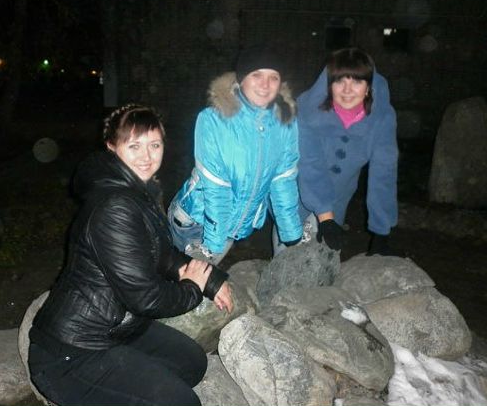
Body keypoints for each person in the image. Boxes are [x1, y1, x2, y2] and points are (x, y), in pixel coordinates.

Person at [28, 104, 233, 406]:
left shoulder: (139, 190)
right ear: (112, 147)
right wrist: (192, 288)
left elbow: (162, 255)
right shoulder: (114, 206)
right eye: (134, 146)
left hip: (118, 330)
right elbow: (146, 299)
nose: (146, 156)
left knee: (192, 364)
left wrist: (210, 280)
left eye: (155, 145)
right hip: (72, 353)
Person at [168, 45, 303, 265]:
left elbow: (283, 179)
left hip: (230, 227)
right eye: (256, 75)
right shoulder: (213, 119)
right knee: (185, 283)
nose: (265, 84)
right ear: (241, 79)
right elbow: (216, 185)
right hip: (197, 222)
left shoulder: (285, 122)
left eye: (273, 77)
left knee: (202, 281)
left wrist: (291, 233)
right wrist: (212, 247)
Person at [296, 47, 398, 255]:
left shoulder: (381, 119)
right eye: (339, 81)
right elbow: (309, 165)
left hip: (338, 197)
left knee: (326, 259)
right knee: (292, 255)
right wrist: (325, 218)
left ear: (369, 87)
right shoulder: (307, 112)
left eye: (357, 82)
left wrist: (381, 231)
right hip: (295, 194)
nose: (347, 90)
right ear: (329, 85)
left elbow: (384, 173)